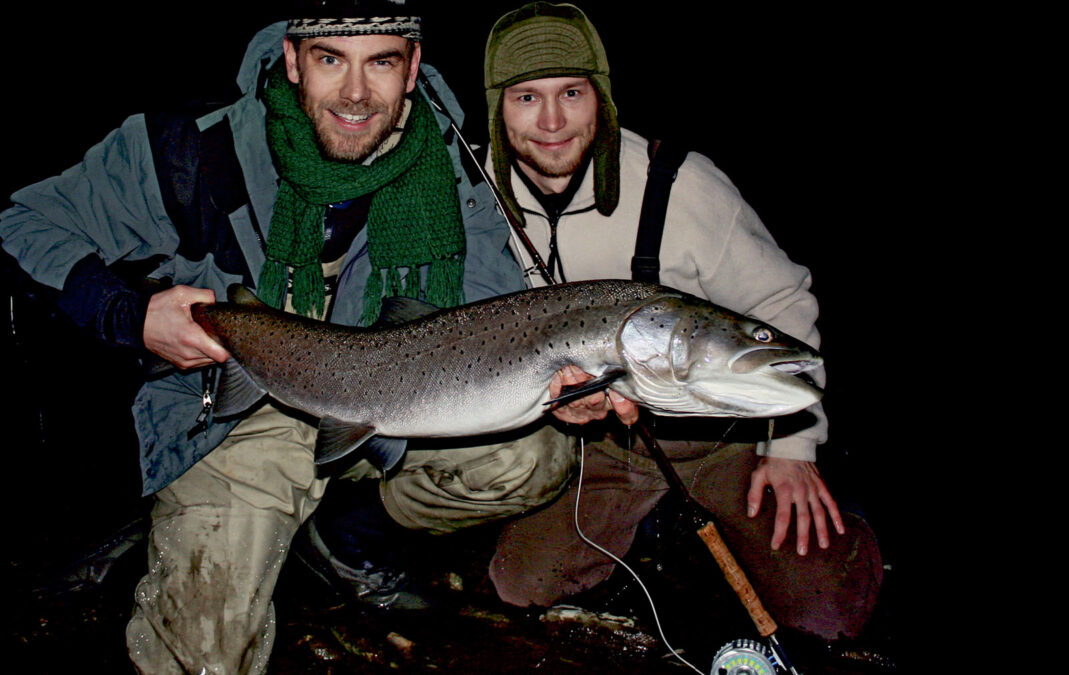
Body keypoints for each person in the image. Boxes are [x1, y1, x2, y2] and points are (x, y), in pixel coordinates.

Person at [0, 2, 579, 672]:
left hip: (391, 399)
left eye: (381, 62)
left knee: (533, 453)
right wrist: (131, 316)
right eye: (331, 59)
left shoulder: (452, 170)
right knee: (207, 653)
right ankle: (201, 527)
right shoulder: (190, 149)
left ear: (413, 69)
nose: (357, 92)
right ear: (293, 59)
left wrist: (551, 383)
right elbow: (26, 223)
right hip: (234, 412)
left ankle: (345, 537)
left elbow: (484, 310)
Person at [481, 2, 882, 640]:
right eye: (527, 96)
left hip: (720, 441)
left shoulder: (679, 185)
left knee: (830, 615)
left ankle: (825, 516)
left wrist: (793, 447)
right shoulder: (478, 200)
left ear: (601, 99)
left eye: (572, 93)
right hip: (599, 447)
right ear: (498, 108)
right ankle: (638, 521)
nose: (552, 121)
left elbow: (784, 304)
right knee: (522, 587)